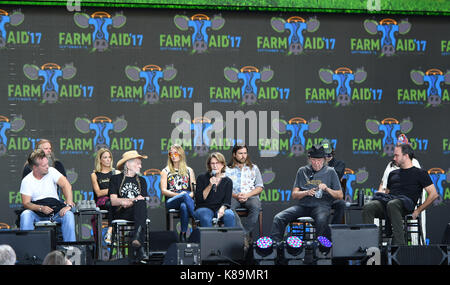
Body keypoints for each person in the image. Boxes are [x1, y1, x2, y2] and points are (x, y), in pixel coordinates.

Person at [362, 144, 438, 245]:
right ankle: (369, 246)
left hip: (406, 205)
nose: (394, 158)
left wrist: (418, 210)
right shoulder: (393, 174)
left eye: (396, 155)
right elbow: (387, 194)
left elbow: (433, 194)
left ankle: (400, 247)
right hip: (390, 203)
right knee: (369, 206)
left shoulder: (420, 173)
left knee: (392, 204)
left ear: (406, 156)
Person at [270, 145, 343, 242]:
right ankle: (275, 247)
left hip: (321, 206)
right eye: (314, 160)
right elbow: (294, 194)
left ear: (324, 160)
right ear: (309, 159)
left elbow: (340, 195)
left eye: (319, 160)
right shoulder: (302, 171)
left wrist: (326, 188)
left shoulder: (330, 172)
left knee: (321, 220)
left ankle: (321, 249)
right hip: (303, 206)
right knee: (279, 217)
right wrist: (306, 192)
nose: (317, 163)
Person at [20, 149, 76, 242]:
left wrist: (69, 205)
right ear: (35, 167)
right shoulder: (27, 181)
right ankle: (27, 249)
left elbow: (66, 185)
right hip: (37, 214)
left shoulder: (52, 171)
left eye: (47, 163)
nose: (47, 167)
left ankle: (71, 249)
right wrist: (41, 208)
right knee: (25, 215)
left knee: (68, 215)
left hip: (55, 213)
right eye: (44, 165)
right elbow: (26, 203)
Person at [109, 150, 149, 262]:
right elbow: (113, 201)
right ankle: (139, 246)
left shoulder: (142, 180)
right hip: (121, 212)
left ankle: (137, 238)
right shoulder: (115, 179)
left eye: (140, 163)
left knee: (141, 203)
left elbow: (142, 199)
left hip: (137, 212)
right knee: (139, 203)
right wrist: (132, 200)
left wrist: (128, 201)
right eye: (137, 163)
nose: (140, 166)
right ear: (128, 164)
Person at [225, 144, 263, 240]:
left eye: (245, 153)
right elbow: (224, 188)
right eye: (240, 153)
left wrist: (247, 195)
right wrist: (236, 196)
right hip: (233, 196)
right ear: (234, 154)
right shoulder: (227, 169)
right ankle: (243, 235)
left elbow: (259, 187)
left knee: (256, 206)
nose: (243, 156)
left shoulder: (254, 168)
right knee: (228, 208)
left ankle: (242, 235)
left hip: (250, 196)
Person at [161, 144, 196, 242]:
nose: (173, 155)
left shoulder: (189, 170)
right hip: (172, 200)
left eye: (175, 153)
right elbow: (163, 190)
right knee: (184, 196)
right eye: (170, 153)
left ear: (181, 154)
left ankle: (183, 234)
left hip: (186, 198)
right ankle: (197, 218)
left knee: (184, 206)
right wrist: (179, 195)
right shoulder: (165, 171)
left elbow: (194, 190)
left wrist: (186, 196)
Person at [194, 152, 235, 227]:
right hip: (204, 207)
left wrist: (222, 209)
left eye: (217, 163)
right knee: (205, 217)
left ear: (222, 165)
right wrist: (210, 185)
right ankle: (209, 239)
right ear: (209, 165)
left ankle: (228, 238)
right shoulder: (201, 178)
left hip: (219, 208)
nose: (215, 166)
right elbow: (199, 199)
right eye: (212, 163)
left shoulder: (228, 181)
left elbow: (227, 201)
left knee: (229, 215)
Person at [90, 148, 118, 244]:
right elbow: (98, 193)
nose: (108, 159)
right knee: (111, 203)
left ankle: (111, 231)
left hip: (115, 199)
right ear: (100, 160)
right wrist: (112, 190)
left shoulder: (116, 173)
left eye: (109, 157)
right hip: (102, 201)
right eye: (105, 157)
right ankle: (110, 231)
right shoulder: (95, 174)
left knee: (117, 203)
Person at [321, 139, 346, 224]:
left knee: (341, 204)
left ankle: (334, 229)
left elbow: (335, 177)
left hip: (332, 197)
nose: (327, 156)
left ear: (332, 151)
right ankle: (321, 231)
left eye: (328, 154)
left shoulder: (339, 164)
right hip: (319, 197)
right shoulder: (316, 164)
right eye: (324, 154)